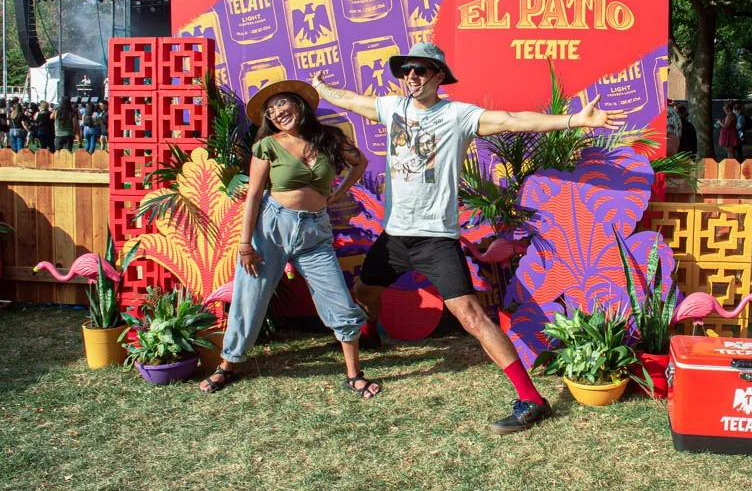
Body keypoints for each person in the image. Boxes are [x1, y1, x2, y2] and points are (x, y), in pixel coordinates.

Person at [310, 42, 625, 434]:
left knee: (472, 318)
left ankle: (531, 398)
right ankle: (371, 335)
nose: (412, 76)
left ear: (439, 76)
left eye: (421, 70)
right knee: (365, 293)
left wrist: (574, 121)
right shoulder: (393, 108)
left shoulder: (458, 115)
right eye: (406, 70)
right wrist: (323, 91)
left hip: (436, 239)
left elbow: (511, 119)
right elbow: (356, 102)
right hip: (394, 237)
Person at [199, 80, 379, 397]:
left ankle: (354, 375)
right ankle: (226, 367)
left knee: (337, 296)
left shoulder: (330, 139)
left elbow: (360, 162)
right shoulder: (267, 145)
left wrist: (338, 193)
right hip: (271, 228)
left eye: (282, 103)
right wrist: (245, 244)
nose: (278, 112)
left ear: (298, 104)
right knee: (249, 298)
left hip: (314, 231)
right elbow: (254, 195)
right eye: (271, 110)